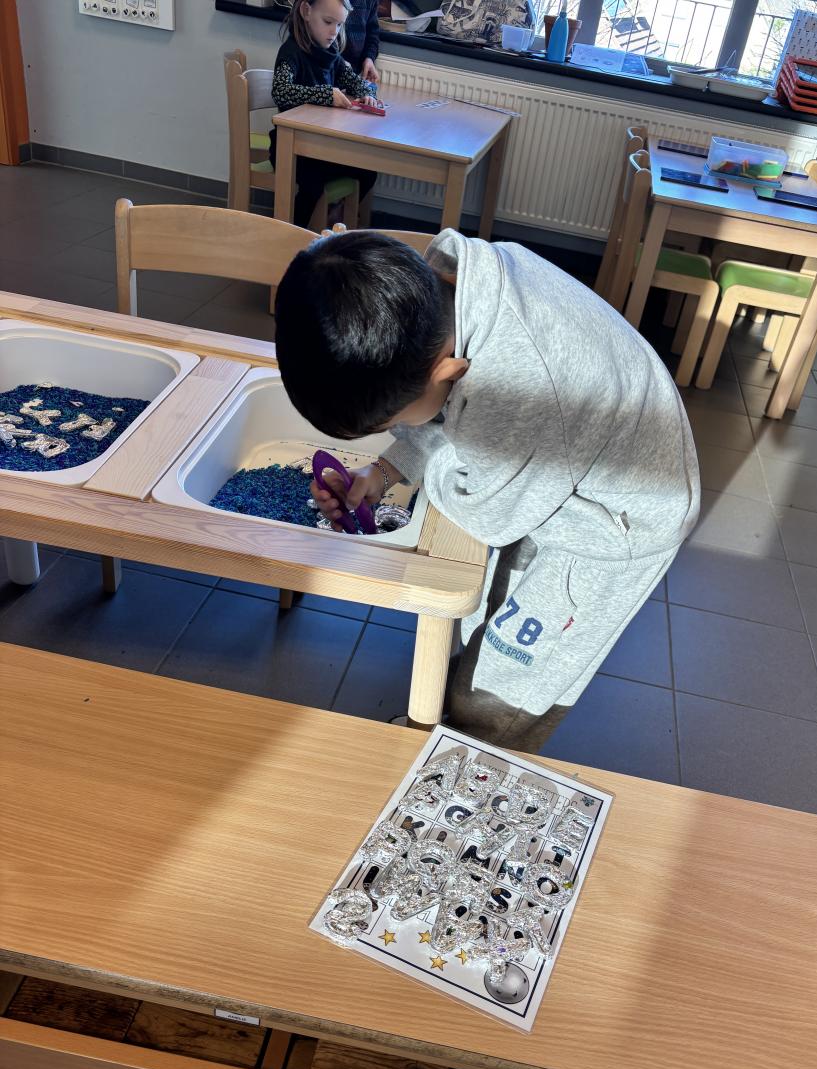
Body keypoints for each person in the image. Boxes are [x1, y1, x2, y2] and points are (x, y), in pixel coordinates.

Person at [274, 230, 701, 752]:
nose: (397, 428)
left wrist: (435, 465)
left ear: (447, 371)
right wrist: (383, 472)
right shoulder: (442, 287)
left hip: (615, 521)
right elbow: (445, 416)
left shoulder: (517, 385)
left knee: (507, 675)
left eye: (393, 421)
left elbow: (488, 513)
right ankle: (448, 722)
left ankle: (470, 756)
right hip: (560, 460)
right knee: (479, 613)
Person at [270, 0, 378, 228]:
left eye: (339, 25)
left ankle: (335, 219)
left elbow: (363, 84)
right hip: (292, 148)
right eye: (328, 22)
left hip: (321, 147)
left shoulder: (331, 56)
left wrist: (368, 95)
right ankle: (291, 232)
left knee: (369, 171)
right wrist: (326, 94)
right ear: (306, 11)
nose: (334, 32)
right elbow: (281, 91)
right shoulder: (291, 52)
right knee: (314, 181)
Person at [343, 0, 381, 82]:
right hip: (329, 68)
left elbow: (372, 34)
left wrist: (369, 58)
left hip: (354, 72)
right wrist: (339, 62)